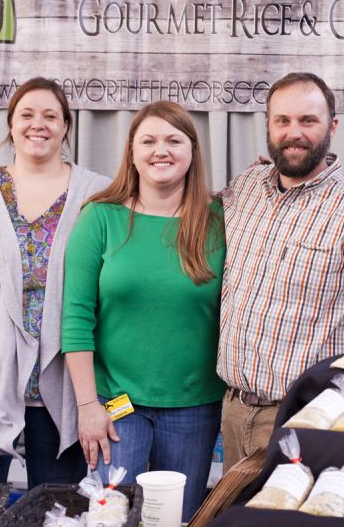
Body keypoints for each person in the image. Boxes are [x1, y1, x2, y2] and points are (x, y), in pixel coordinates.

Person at [0, 77, 111, 488]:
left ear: (66, 126)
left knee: (60, 509)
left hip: (65, 390)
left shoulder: (99, 194)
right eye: (26, 115)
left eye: (50, 115)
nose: (38, 124)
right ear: (11, 125)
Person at [61, 101, 226, 522]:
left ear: (192, 152)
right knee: (112, 517)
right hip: (117, 405)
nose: (161, 150)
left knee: (176, 520)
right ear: (132, 152)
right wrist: (86, 407)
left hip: (194, 408)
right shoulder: (100, 217)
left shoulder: (221, 219)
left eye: (174, 140)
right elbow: (76, 320)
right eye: (148, 140)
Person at [218, 73, 344, 471]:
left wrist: (340, 412)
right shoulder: (245, 187)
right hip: (232, 411)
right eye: (283, 121)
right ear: (268, 127)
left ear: (333, 126)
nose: (294, 133)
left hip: (304, 416)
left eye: (308, 121)